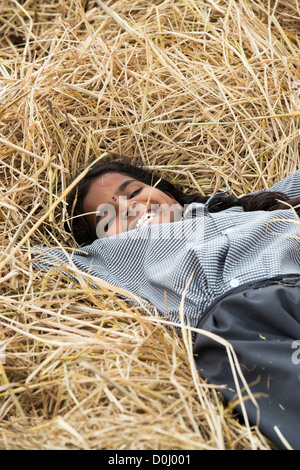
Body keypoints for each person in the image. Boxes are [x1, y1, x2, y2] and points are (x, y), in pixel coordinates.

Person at [33, 157, 300, 449]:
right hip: (241, 329)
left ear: (169, 195)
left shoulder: (247, 206)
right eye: (107, 219)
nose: (129, 207)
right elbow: (22, 257)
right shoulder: (105, 261)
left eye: (133, 193)